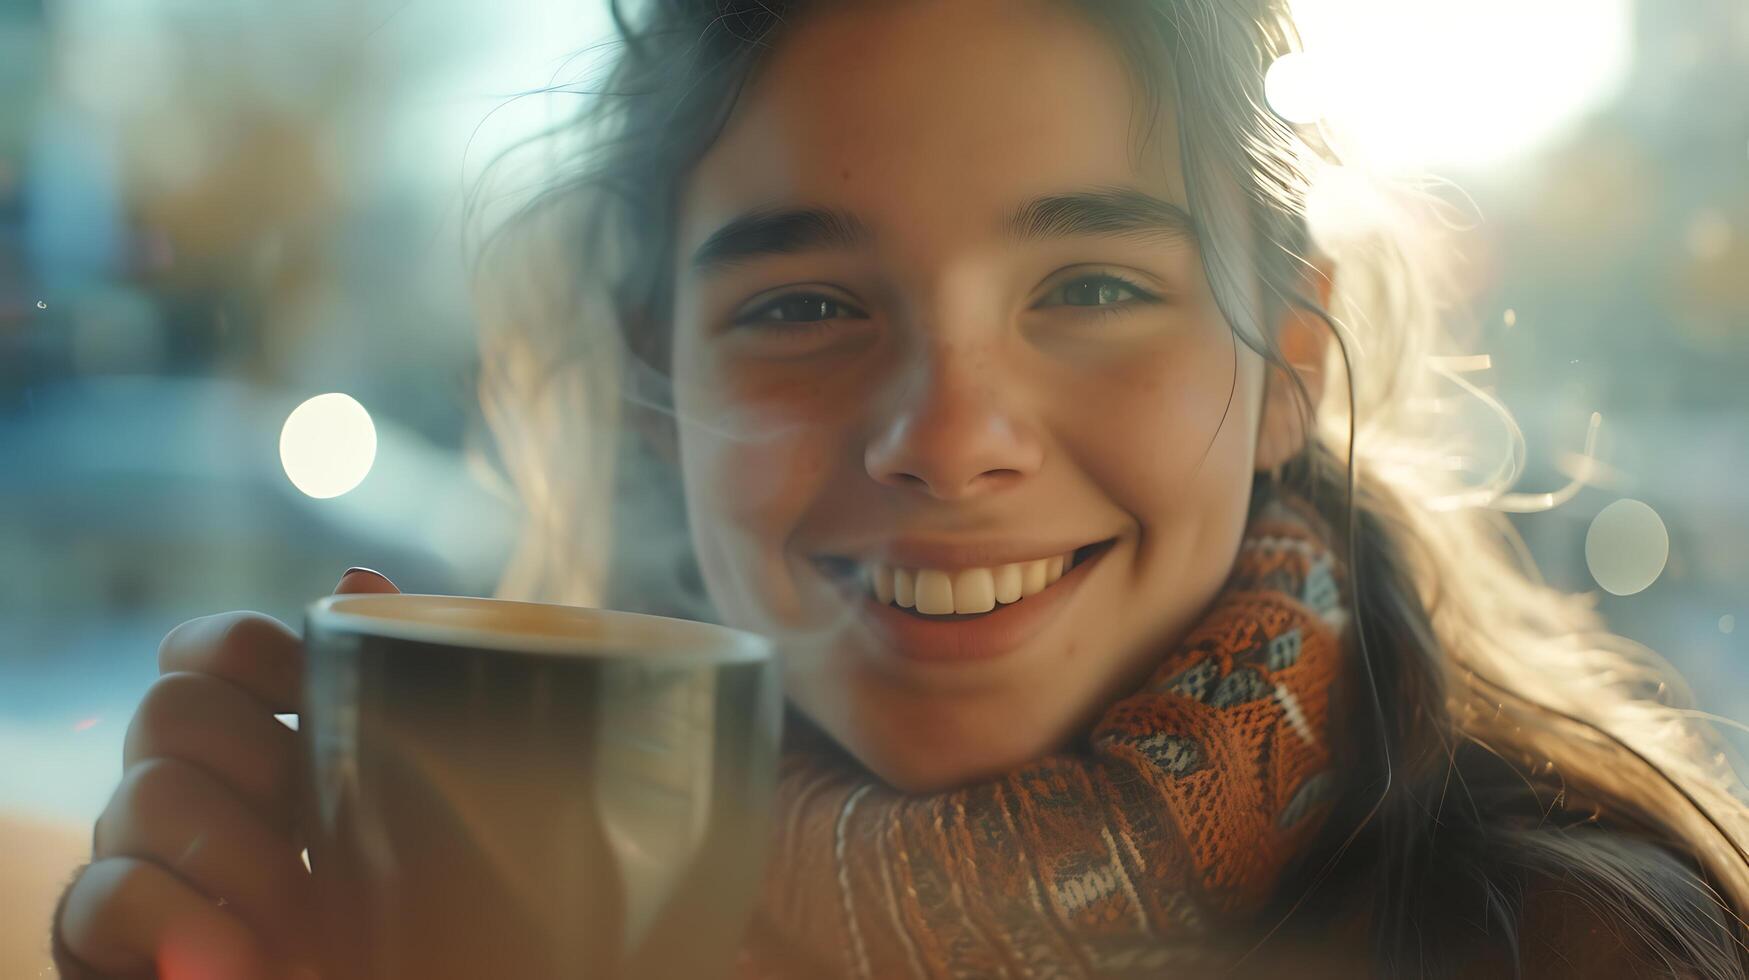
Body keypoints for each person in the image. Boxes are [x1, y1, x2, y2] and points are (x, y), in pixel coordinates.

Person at [52, 0, 1749, 976]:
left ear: (1288, 362)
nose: (944, 439)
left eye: (1089, 287)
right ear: (662, 393)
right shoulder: (533, 933)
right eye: (801, 309)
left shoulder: (1575, 946)